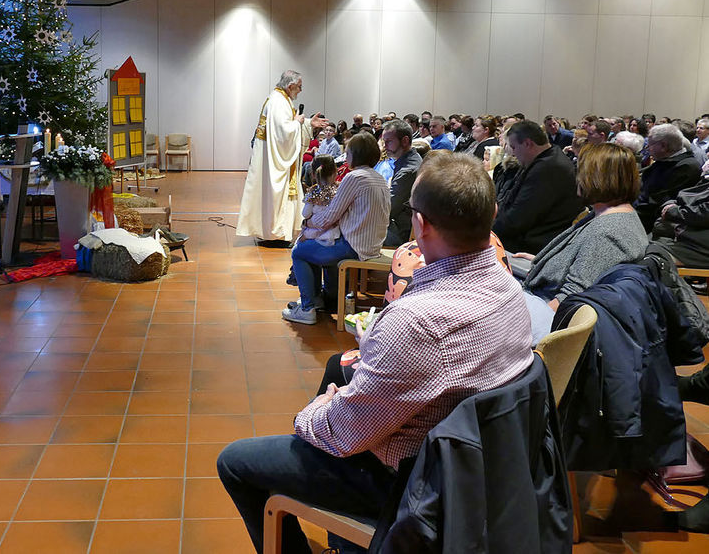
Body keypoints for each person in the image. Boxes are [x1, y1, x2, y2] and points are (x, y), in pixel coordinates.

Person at [218, 152, 534, 554]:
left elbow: (345, 435)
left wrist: (315, 411)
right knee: (337, 367)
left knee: (235, 461)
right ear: (491, 213)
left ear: (419, 225)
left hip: (409, 482)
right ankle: (342, 539)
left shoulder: (416, 322)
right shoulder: (507, 287)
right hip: (475, 465)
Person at [516, 144, 649, 343]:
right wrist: (545, 261)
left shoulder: (608, 232)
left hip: (548, 316)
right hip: (541, 294)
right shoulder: (611, 213)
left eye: (581, 171)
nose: (577, 177)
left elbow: (571, 296)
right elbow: (585, 263)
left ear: (596, 178)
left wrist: (519, 322)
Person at [282, 132, 389, 324]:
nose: (345, 157)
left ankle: (307, 308)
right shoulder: (378, 177)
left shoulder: (354, 177)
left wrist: (308, 225)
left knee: (299, 252)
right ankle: (320, 300)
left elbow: (330, 216)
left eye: (347, 153)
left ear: (354, 155)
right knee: (313, 247)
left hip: (354, 245)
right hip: (372, 243)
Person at [236, 71, 328, 244]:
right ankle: (275, 234)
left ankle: (272, 232)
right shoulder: (279, 101)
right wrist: (299, 123)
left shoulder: (280, 98)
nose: (300, 90)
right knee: (276, 193)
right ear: (290, 86)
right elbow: (283, 132)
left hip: (272, 155)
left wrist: (307, 123)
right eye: (299, 87)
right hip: (274, 159)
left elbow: (286, 124)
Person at [492, 120, 584, 254]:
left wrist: (485, 231)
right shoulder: (549, 158)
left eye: (514, 147)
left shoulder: (549, 168)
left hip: (533, 245)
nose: (513, 153)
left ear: (528, 143)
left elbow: (517, 219)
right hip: (529, 235)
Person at [633, 123, 702, 232]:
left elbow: (656, 203)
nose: (647, 149)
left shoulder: (686, 167)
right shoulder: (665, 161)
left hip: (650, 223)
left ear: (664, 146)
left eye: (650, 145)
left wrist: (627, 214)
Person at [381, 120, 422, 248]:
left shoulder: (408, 170)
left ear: (404, 141)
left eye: (389, 142)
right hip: (400, 225)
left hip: (400, 233)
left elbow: (387, 210)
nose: (385, 146)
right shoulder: (410, 160)